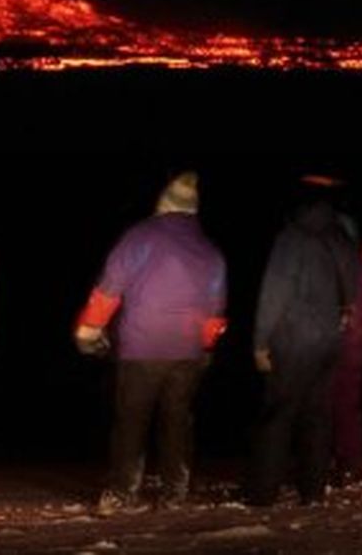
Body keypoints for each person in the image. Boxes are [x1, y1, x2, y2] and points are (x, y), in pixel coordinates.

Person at [74, 172, 227, 513]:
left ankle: (122, 493)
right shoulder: (210, 251)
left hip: (141, 348)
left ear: (163, 204)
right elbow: (216, 309)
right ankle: (176, 492)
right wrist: (205, 346)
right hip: (187, 353)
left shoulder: (140, 237)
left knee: (132, 420)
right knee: (178, 421)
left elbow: (110, 287)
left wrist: (89, 329)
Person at [244, 176, 362, 506]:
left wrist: (260, 341)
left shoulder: (291, 238)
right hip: (329, 340)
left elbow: (274, 293)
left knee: (278, 414)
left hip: (294, 339)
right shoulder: (341, 238)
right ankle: (312, 490)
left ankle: (263, 492)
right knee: (318, 415)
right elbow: (353, 288)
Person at [329, 212, 362, 483]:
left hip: (328, 341)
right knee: (348, 405)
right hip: (356, 343)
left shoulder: (326, 262)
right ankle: (348, 461)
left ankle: (324, 459)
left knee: (322, 405)